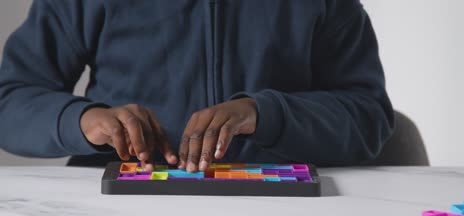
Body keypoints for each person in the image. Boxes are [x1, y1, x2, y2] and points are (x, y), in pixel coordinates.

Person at [0, 0, 394, 172]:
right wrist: (82, 120)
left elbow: (368, 114)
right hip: (117, 212)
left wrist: (265, 114)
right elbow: (10, 102)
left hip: (285, 215)